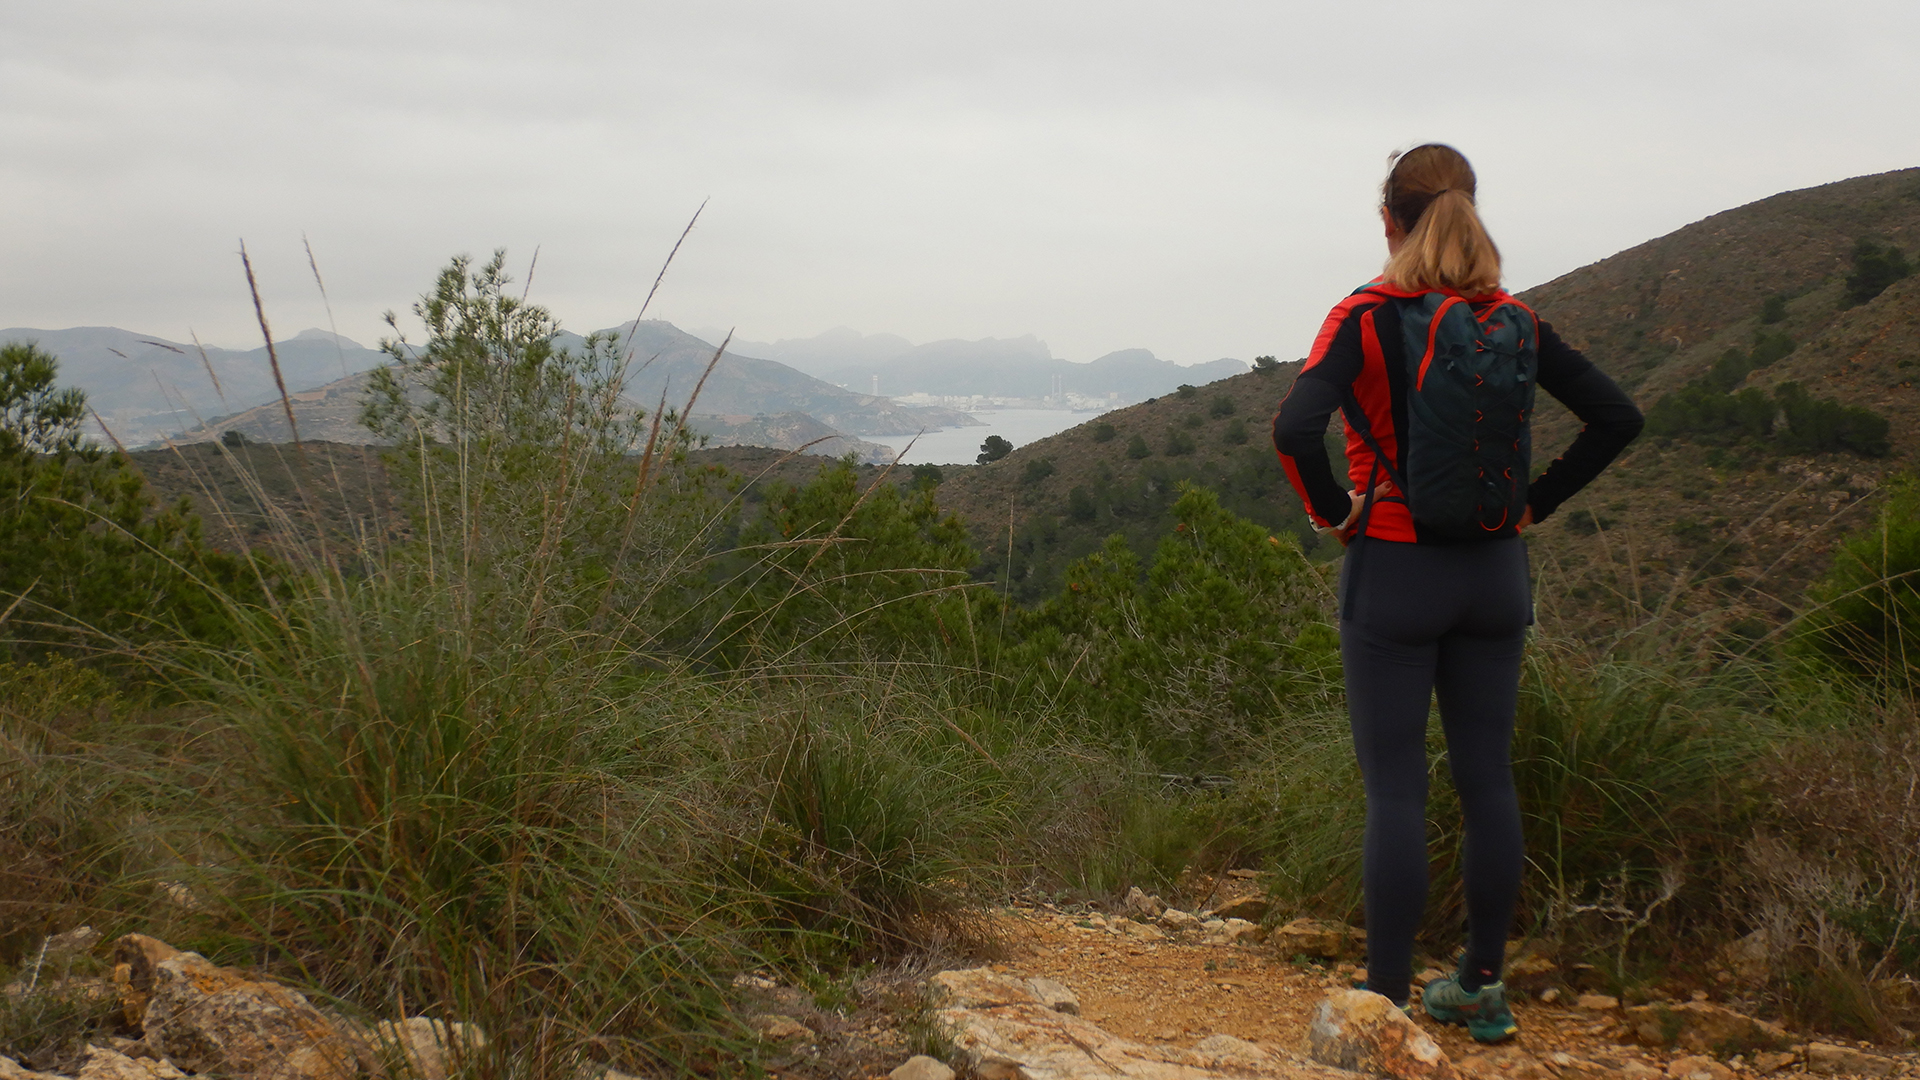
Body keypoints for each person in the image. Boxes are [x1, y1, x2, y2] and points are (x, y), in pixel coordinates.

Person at [1271, 144, 1643, 1042]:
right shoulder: (1512, 317)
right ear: (1469, 211)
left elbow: (1294, 427)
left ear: (1389, 221)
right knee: (1488, 783)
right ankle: (1481, 985)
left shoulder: (1366, 315)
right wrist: (1531, 505)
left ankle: (1388, 1007)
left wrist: (1335, 515)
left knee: (1396, 790)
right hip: (1493, 575)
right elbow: (1618, 418)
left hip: (1395, 569)